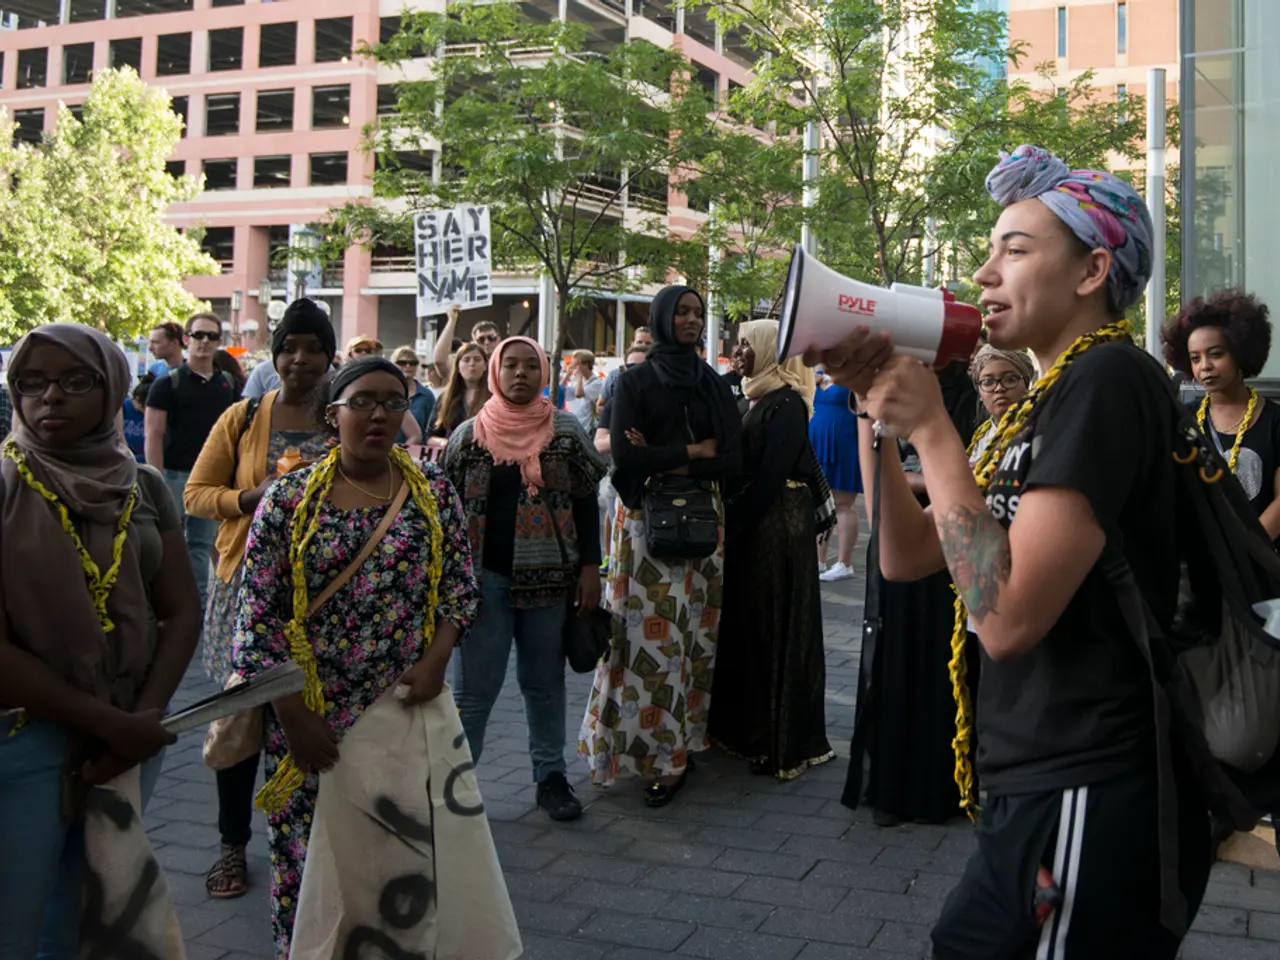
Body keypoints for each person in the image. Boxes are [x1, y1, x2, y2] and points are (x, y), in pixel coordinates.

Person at [812, 145, 1211, 957]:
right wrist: (872, 411)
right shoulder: (1039, 405)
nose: (985, 271)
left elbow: (1006, 615)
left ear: (1092, 270)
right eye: (991, 248)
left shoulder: (1109, 383)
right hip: (1039, 780)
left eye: (1016, 249)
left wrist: (931, 426)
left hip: (1092, 781)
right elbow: (910, 556)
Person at [231, 356, 481, 958]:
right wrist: (293, 716)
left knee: (400, 859)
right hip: (309, 718)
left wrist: (438, 659)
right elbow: (258, 619)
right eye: (362, 401)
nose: (379, 414)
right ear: (331, 415)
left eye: (393, 403)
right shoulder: (290, 501)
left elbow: (460, 590)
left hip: (402, 712)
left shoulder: (432, 493)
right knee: (312, 863)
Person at [0, 324, 201, 957]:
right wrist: (113, 725)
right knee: (14, 923)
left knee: (92, 916)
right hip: (23, 739)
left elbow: (180, 611)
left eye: (74, 380)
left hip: (129, 735)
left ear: (112, 386)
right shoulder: (6, 486)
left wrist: (146, 714)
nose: (49, 397)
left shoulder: (139, 484)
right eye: (31, 383)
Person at [184, 298, 335, 901]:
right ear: (275, 356)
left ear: (329, 356)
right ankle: (230, 848)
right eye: (289, 347)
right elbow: (197, 493)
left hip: (324, 595)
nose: (300, 359)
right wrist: (251, 500)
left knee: (307, 714)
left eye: (313, 348)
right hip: (244, 585)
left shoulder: (343, 415)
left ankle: (305, 848)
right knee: (240, 717)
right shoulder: (243, 416)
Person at [579, 285, 742, 806]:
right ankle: (642, 749)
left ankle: (677, 749)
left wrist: (664, 457)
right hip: (647, 527)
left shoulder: (713, 385)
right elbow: (625, 457)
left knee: (693, 640)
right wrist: (693, 451)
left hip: (702, 526)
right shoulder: (635, 380)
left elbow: (732, 459)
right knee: (644, 640)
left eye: (697, 312)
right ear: (662, 318)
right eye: (682, 312)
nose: (691, 320)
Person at [444, 337, 606, 822]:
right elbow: (447, 516)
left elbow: (584, 503)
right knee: (474, 691)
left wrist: (590, 570)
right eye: (510, 365)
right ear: (495, 371)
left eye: (530, 366)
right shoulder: (467, 436)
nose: (520, 374)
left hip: (551, 582)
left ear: (545, 372)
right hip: (482, 582)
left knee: (544, 684)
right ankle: (456, 786)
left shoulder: (566, 431)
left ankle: (550, 778)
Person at [710, 320, 834, 779]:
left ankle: (776, 740)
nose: (738, 350)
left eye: (747, 343)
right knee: (752, 625)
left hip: (779, 523)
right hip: (756, 522)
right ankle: (748, 732)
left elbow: (769, 474)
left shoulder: (786, 403)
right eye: (739, 343)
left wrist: (736, 520)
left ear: (771, 351)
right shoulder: (751, 395)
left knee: (774, 624)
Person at [145, 313, 242, 614]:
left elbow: (236, 434)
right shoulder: (166, 384)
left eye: (211, 336)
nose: (204, 342)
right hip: (173, 475)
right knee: (164, 543)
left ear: (219, 342)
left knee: (200, 545)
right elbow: (153, 434)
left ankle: (197, 609)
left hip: (212, 480)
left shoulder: (227, 384)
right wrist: (156, 478)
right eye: (198, 335)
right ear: (186, 339)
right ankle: (158, 603)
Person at [1164, 290, 1280, 540]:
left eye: (1216, 354)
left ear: (1240, 352)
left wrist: (1249, 552)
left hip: (1262, 564)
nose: (1205, 366)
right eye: (1195, 358)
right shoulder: (1184, 419)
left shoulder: (1275, 421)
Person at [811, 370, 861, 581]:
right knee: (820, 503)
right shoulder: (812, 370)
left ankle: (844, 562)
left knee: (842, 504)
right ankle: (819, 560)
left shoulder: (854, 370)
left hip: (844, 442)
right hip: (816, 442)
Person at [966, 344, 1035, 463]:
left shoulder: (1038, 428)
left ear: (1026, 386)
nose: (999, 388)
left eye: (1010, 380)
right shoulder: (981, 435)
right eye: (988, 382)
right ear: (980, 394)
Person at [431, 341, 492, 438]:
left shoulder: (494, 397)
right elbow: (430, 436)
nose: (472, 364)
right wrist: (446, 444)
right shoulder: (445, 398)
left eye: (477, 359)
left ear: (485, 365)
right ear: (458, 367)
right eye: (466, 360)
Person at [433, 304, 502, 379]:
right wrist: (452, 320)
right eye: (481, 339)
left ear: (498, 339)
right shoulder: (467, 364)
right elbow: (440, 362)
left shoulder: (506, 361)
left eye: (491, 338)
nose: (486, 342)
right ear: (474, 342)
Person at [599, 326, 655, 407]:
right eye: (639, 342)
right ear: (632, 343)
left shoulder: (661, 374)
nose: (643, 345)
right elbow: (600, 406)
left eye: (648, 343)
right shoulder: (615, 375)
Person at [391, 345, 435, 445]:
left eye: (413, 363)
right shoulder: (386, 392)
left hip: (418, 454)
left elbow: (431, 430)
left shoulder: (426, 395)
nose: (408, 366)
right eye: (402, 363)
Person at [563, 349, 604, 432]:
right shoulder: (575, 380)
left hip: (586, 429)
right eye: (573, 364)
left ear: (587, 364)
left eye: (577, 364)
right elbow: (559, 390)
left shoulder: (597, 382)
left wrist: (579, 378)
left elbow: (579, 394)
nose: (575, 368)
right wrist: (568, 375)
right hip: (573, 426)